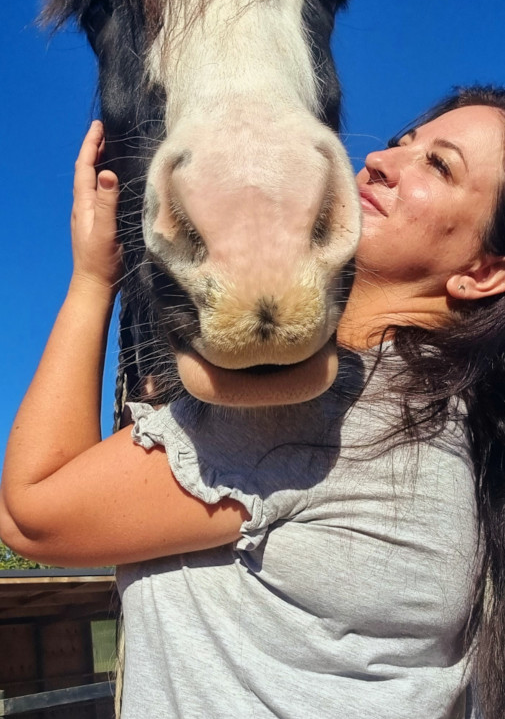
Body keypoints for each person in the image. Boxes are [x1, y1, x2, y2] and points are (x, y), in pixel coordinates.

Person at [1, 84, 505, 719]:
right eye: (405, 142)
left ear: (483, 273)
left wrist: (92, 278)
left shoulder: (335, 408)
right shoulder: (441, 420)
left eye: (439, 165)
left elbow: (32, 513)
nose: (380, 159)